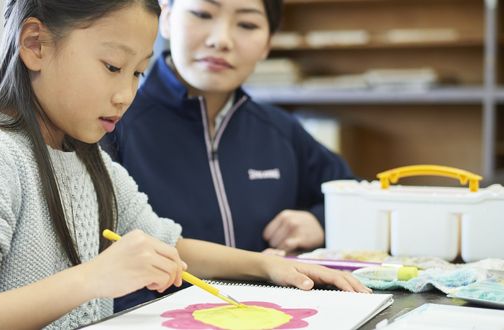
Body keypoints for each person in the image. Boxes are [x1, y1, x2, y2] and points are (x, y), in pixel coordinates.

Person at [0, 1, 369, 329]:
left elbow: (166, 243)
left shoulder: (88, 158)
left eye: (139, 72)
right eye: (112, 67)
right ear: (36, 45)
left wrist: (266, 267)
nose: (127, 94)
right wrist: (93, 277)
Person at [103, 0, 355, 311]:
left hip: (271, 316)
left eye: (247, 24)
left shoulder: (280, 130)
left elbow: (357, 196)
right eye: (202, 14)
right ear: (165, 20)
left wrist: (320, 220)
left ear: (267, 44)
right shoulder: (110, 122)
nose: (221, 39)